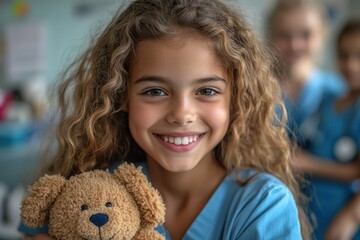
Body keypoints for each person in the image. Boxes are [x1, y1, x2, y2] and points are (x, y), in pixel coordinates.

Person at [18, 0, 311, 239]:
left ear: (235, 99)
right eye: (155, 91)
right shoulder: (89, 194)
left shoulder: (262, 204)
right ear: (121, 95)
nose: (182, 114)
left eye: (207, 90)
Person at [292, 19, 360, 239]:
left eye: (359, 56)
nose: (350, 64)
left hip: (339, 211)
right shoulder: (328, 100)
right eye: (344, 55)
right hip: (311, 207)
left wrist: (307, 163)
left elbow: (356, 171)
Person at [266, 0, 346, 144]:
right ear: (270, 35)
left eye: (306, 34)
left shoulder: (338, 91)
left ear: (322, 36)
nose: (295, 45)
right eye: (284, 35)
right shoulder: (255, 87)